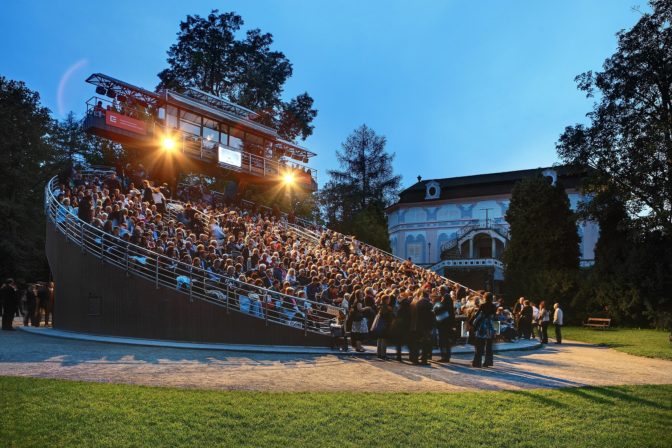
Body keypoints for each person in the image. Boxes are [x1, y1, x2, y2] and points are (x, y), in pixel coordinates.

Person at [472, 292, 497, 368]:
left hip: (482, 326)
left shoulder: (482, 305)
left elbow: (477, 315)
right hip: (490, 326)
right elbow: (494, 317)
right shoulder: (494, 306)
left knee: (479, 345)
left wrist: (471, 321)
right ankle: (488, 362)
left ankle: (477, 363)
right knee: (489, 345)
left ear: (485, 298)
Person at [409, 290, 434, 365]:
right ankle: (424, 360)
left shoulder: (414, 303)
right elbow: (430, 317)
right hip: (425, 327)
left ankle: (414, 359)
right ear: (427, 296)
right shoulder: (428, 304)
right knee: (425, 344)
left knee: (415, 344)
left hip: (414, 326)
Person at [433, 288, 454, 362]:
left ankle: (445, 357)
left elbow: (442, 308)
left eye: (440, 291)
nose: (439, 292)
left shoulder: (446, 298)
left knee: (444, 340)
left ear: (443, 291)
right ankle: (446, 356)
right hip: (445, 323)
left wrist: (435, 309)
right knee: (445, 340)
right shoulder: (446, 298)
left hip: (444, 323)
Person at [390, 289, 411, 362]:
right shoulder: (407, 305)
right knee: (406, 342)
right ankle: (410, 356)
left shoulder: (401, 306)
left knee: (399, 343)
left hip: (399, 326)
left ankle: (399, 356)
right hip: (405, 326)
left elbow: (398, 315)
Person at [371, 295, 393, 359]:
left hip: (379, 325)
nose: (389, 300)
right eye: (388, 299)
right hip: (385, 325)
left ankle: (379, 353)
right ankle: (383, 354)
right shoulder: (387, 308)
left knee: (379, 339)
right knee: (384, 340)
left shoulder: (380, 306)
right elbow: (389, 317)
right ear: (386, 300)